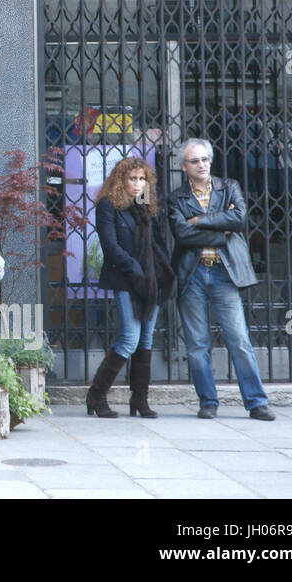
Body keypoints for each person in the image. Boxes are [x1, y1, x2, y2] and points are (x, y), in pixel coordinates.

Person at [169, 137, 275, 421]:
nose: (201, 165)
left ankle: (255, 402)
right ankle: (208, 402)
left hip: (224, 273)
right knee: (197, 344)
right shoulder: (176, 198)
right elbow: (182, 235)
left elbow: (239, 219)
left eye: (205, 159)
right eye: (195, 161)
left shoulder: (229, 187)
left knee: (238, 339)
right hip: (191, 274)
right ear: (183, 167)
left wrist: (200, 221)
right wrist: (222, 228)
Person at [86, 157, 174, 418]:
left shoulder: (146, 207)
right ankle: (96, 396)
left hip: (150, 281)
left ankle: (139, 399)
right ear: (120, 180)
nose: (137, 184)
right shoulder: (107, 205)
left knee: (146, 339)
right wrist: (135, 270)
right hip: (126, 278)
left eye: (142, 179)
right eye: (132, 178)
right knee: (129, 339)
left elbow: (157, 245)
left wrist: (160, 273)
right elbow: (110, 247)